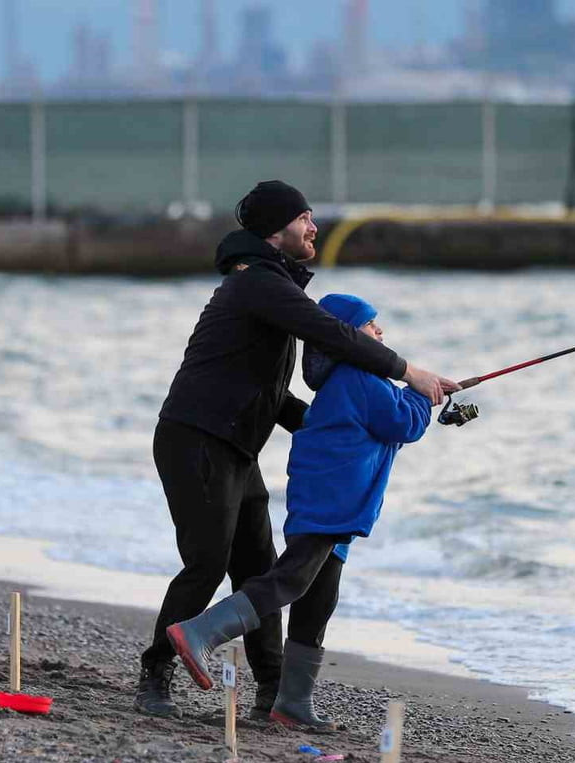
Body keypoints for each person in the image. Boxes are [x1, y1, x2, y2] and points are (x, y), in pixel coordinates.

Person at [136, 180, 458, 717]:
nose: (314, 227)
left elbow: (270, 392)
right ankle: (156, 673)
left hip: (235, 447)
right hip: (195, 438)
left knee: (258, 567)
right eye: (305, 218)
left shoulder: (270, 287)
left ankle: (273, 692)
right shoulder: (258, 283)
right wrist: (410, 372)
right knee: (206, 563)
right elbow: (333, 334)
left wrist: (329, 430)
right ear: (275, 229)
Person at [166, 293, 430, 731]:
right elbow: (401, 423)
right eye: (369, 326)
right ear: (345, 336)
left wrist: (418, 393)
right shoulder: (359, 375)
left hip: (340, 501)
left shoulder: (359, 378)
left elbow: (391, 420)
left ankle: (292, 701)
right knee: (292, 578)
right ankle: (201, 632)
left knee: (320, 598)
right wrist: (422, 394)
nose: (379, 332)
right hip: (331, 498)